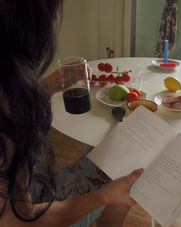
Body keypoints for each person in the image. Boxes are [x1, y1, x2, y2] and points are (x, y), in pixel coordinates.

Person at [0, 1, 143, 226]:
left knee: (107, 151)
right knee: (123, 166)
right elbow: (19, 221)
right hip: (40, 215)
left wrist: (48, 85)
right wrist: (104, 195)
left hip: (30, 192)